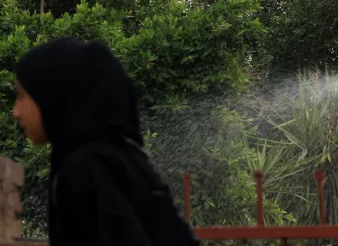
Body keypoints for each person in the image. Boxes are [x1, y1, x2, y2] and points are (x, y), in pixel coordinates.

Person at [12, 37, 200, 246]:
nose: (15, 112)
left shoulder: (84, 171)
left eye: (21, 96)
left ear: (50, 95)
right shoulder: (126, 158)